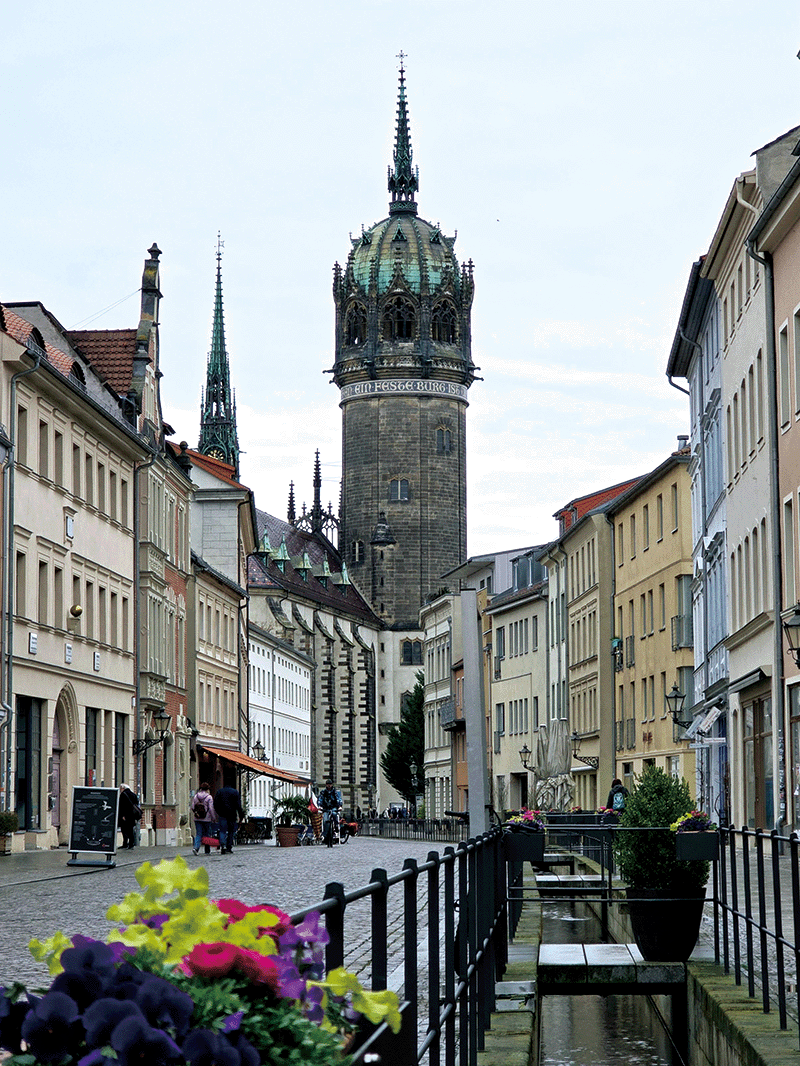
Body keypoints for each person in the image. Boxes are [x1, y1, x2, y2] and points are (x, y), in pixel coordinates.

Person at [213, 784, 244, 854]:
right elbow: (238, 805)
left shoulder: (220, 792)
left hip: (222, 814)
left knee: (222, 831)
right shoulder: (235, 792)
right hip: (232, 814)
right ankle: (229, 847)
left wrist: (219, 812)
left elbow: (215, 803)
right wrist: (241, 816)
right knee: (231, 831)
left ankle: (223, 845)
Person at [191, 782, 214, 855]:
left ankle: (196, 848)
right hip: (207, 819)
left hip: (197, 818)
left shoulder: (196, 796)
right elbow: (211, 808)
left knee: (198, 834)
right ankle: (207, 850)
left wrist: (196, 813)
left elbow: (192, 807)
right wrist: (213, 817)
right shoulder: (209, 797)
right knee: (207, 834)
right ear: (207, 789)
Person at [319, 779, 342, 847]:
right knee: (325, 819)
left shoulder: (335, 792)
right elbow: (320, 799)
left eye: (330, 784)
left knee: (334, 814)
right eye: (328, 784)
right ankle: (325, 833)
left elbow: (339, 799)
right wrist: (319, 805)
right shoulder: (323, 792)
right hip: (326, 808)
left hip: (334, 807)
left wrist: (340, 805)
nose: (329, 785)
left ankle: (336, 826)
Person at [118, 783, 140, 850]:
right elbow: (136, 803)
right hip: (132, 815)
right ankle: (131, 844)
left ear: (123, 788)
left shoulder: (123, 794)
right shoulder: (133, 795)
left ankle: (125, 843)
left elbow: (122, 806)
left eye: (120, 788)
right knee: (131, 830)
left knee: (124, 830)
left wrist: (122, 815)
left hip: (125, 815)